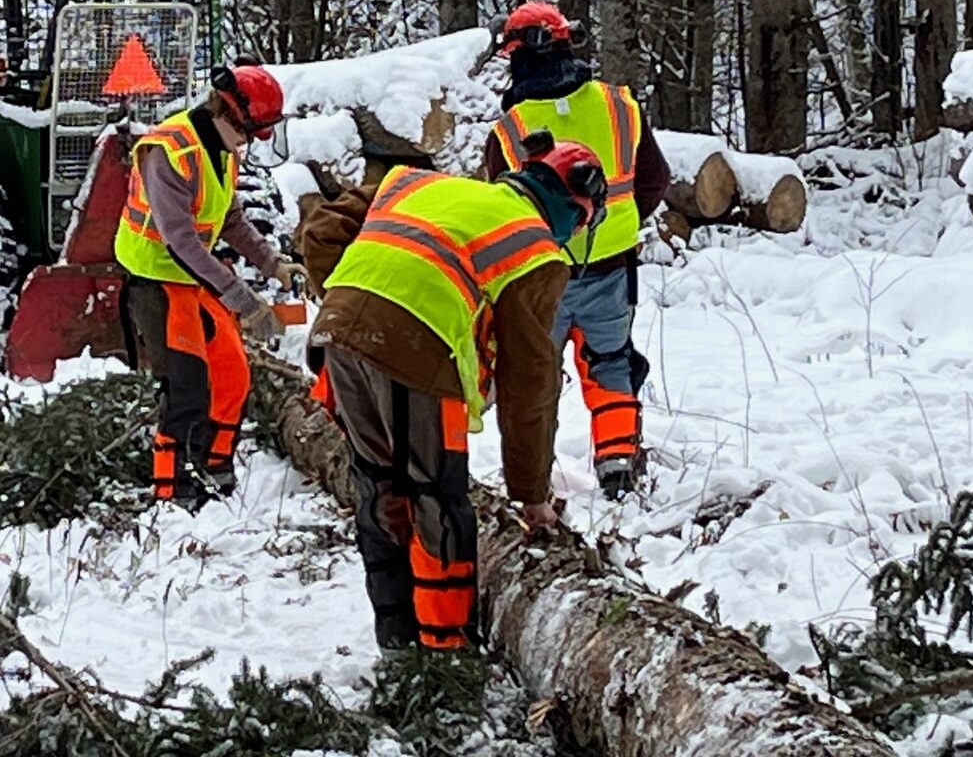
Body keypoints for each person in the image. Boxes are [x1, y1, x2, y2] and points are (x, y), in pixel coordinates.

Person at [301, 138, 606, 652]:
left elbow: (322, 231)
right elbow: (529, 383)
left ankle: (397, 641)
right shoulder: (535, 250)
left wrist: (353, 308)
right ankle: (447, 653)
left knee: (378, 486)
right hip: (417, 352)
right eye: (580, 222)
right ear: (574, 207)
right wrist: (531, 495)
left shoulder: (415, 182)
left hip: (336, 339)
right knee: (435, 499)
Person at [483, 1, 671, 500]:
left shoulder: (511, 129)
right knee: (610, 361)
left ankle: (533, 478)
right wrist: (615, 225)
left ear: (517, 55)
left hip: (540, 275)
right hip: (612, 269)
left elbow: (498, 210)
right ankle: (618, 463)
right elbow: (655, 180)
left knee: (533, 375)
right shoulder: (619, 106)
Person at [115, 60, 298, 512]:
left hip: (193, 276)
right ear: (228, 114)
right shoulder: (170, 151)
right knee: (186, 382)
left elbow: (231, 220)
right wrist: (242, 298)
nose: (250, 144)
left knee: (233, 370)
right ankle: (169, 484)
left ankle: (213, 461)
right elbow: (180, 242)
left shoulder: (219, 149)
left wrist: (274, 265)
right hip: (157, 275)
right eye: (250, 134)